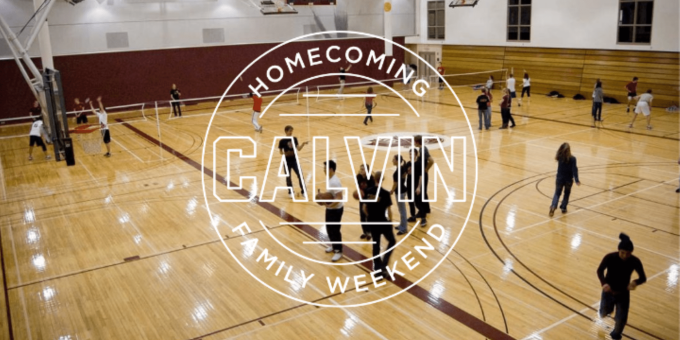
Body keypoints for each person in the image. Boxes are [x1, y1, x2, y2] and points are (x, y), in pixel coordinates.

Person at [597, 233, 647, 340]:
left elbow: (643, 277)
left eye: (628, 253)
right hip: (608, 292)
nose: (625, 256)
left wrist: (635, 282)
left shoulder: (635, 261)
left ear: (631, 252)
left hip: (623, 294)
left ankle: (616, 335)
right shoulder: (610, 257)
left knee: (621, 319)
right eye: (622, 253)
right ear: (618, 250)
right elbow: (600, 270)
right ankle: (606, 314)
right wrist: (604, 283)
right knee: (603, 313)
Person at [363, 171, 395, 275]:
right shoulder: (385, 193)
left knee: (375, 245)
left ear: (374, 179)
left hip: (372, 221)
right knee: (392, 241)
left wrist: (369, 216)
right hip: (382, 222)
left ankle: (377, 269)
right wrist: (390, 221)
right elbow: (389, 210)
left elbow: (364, 208)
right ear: (382, 180)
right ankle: (384, 264)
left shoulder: (368, 191)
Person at [318, 160, 344, 262]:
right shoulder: (330, 179)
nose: (323, 169)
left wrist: (327, 204)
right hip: (331, 209)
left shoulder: (334, 182)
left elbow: (339, 198)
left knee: (335, 230)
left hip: (336, 210)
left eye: (325, 168)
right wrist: (323, 196)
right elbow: (331, 194)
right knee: (329, 229)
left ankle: (339, 251)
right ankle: (334, 246)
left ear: (330, 169)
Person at [549, 142, 580, 216]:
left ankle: (553, 206)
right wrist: (576, 180)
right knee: (566, 194)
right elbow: (574, 169)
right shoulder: (573, 159)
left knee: (557, 193)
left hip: (559, 178)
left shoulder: (559, 157)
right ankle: (563, 207)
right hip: (568, 179)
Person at [278, 125, 308, 197]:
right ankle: (290, 192)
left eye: (291, 131)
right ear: (286, 131)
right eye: (289, 131)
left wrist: (303, 144)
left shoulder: (294, 139)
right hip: (287, 161)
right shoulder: (282, 141)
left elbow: (298, 149)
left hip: (294, 160)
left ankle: (303, 191)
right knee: (288, 177)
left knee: (300, 175)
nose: (291, 132)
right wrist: (285, 153)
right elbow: (280, 152)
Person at [414, 136, 433, 226]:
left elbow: (431, 161)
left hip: (422, 175)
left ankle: (423, 214)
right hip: (423, 174)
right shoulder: (424, 148)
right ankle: (427, 209)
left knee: (420, 193)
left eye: (414, 141)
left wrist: (426, 169)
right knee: (424, 192)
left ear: (417, 142)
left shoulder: (422, 151)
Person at [390, 155, 408, 235]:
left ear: (397, 161)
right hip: (403, 190)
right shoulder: (402, 168)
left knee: (402, 210)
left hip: (400, 192)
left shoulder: (398, 171)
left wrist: (391, 190)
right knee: (401, 210)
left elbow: (395, 184)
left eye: (393, 159)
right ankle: (402, 225)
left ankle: (404, 228)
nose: (392, 161)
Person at [355, 164, 374, 240]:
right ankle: (365, 232)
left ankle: (370, 232)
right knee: (362, 216)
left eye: (363, 169)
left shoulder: (371, 179)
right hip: (362, 199)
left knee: (368, 216)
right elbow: (358, 186)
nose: (361, 170)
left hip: (369, 199)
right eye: (361, 169)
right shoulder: (358, 177)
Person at [405, 148, 418, 223]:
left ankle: (423, 217)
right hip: (409, 184)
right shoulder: (408, 163)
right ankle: (413, 216)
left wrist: (419, 187)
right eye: (410, 153)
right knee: (410, 201)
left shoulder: (418, 163)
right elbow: (406, 173)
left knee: (418, 201)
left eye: (412, 154)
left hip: (416, 185)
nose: (410, 155)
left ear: (416, 155)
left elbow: (420, 176)